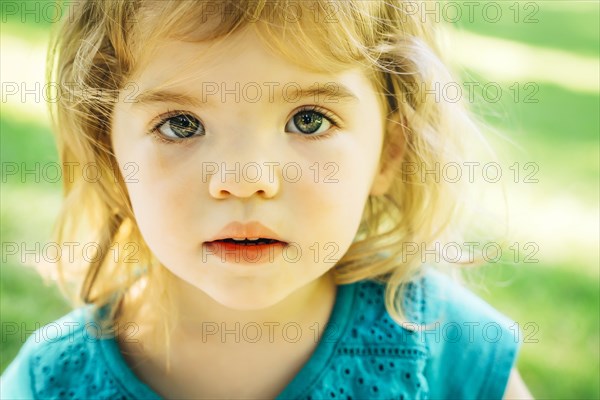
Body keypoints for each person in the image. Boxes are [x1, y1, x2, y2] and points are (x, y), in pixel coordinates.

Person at [1, 1, 534, 399]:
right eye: (181, 125)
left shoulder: (449, 349)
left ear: (387, 155)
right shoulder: (50, 380)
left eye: (309, 120)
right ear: (110, 155)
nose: (245, 179)